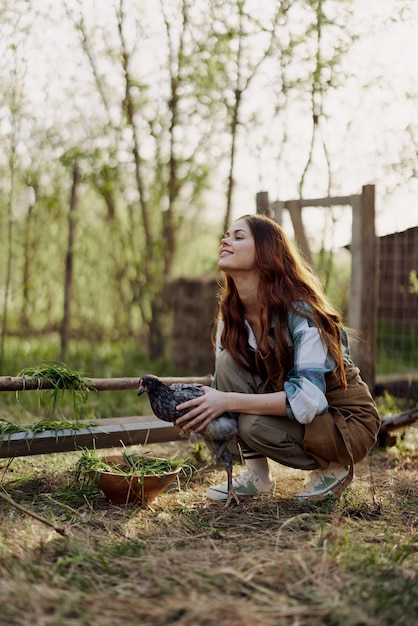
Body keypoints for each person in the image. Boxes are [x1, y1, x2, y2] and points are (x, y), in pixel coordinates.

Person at [176, 214, 381, 502]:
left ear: (265, 251)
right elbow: (223, 384)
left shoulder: (302, 313)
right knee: (227, 365)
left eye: (238, 236)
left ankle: (333, 468)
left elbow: (309, 400)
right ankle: (258, 477)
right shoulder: (232, 316)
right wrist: (199, 414)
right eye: (226, 235)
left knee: (251, 424)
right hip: (300, 409)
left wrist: (226, 401)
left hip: (345, 420)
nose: (225, 240)